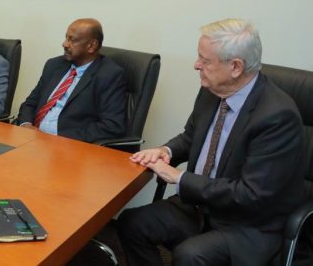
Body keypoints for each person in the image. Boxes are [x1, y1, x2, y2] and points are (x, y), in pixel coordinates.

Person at [117, 19, 304, 266]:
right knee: (132, 223)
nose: (196, 65)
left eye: (205, 61)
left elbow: (250, 195)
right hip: (201, 207)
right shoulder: (212, 90)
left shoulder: (277, 116)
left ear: (235, 67)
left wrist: (179, 178)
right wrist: (165, 151)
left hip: (246, 224)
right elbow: (191, 137)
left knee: (190, 255)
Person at [16, 18, 126, 142]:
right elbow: (30, 103)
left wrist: (56, 137)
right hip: (32, 139)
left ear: (91, 46)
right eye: (66, 38)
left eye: (72, 40)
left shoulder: (109, 75)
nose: (65, 44)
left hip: (65, 145)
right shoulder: (54, 64)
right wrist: (26, 125)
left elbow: (112, 126)